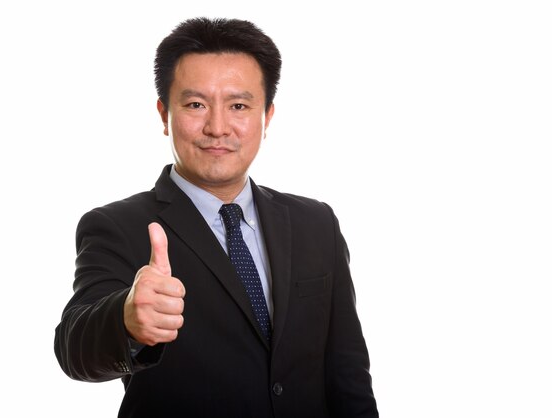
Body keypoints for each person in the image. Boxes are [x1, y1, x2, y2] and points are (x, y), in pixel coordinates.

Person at [54, 17, 378, 418]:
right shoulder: (117, 226)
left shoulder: (316, 223)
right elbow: (74, 347)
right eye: (195, 105)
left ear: (268, 116)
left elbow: (348, 376)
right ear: (163, 114)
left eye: (239, 105)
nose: (218, 127)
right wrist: (126, 320)